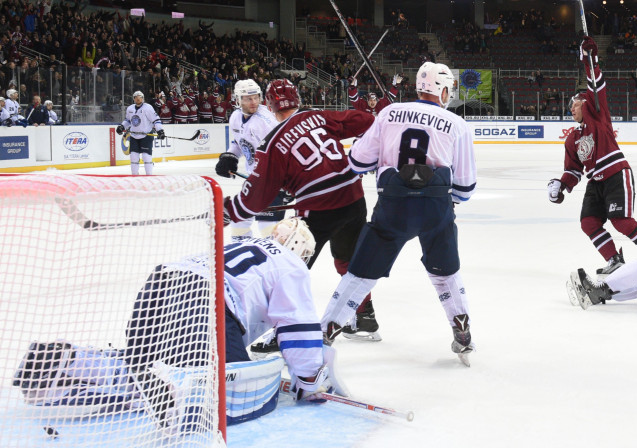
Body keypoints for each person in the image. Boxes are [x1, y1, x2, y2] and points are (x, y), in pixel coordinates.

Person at [12, 218, 347, 430]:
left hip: (158, 286)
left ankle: (71, 364)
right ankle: (181, 388)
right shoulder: (290, 264)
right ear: (300, 250)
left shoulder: (240, 241)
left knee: (148, 369)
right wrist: (309, 380)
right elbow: (297, 327)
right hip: (204, 303)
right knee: (227, 397)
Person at [319, 62, 478, 366]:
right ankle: (462, 331)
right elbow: (465, 188)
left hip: (392, 206)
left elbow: (357, 161)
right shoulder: (456, 124)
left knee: (360, 273)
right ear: (442, 89)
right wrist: (448, 204)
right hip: (435, 208)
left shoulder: (389, 113)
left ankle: (325, 333)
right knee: (446, 274)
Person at [222, 79, 383, 341]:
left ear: (270, 105)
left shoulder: (272, 142)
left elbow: (256, 197)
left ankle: (286, 333)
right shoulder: (319, 116)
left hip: (319, 208)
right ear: (297, 99)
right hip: (353, 197)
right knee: (348, 261)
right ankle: (364, 317)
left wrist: (229, 209)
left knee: (289, 268)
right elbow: (366, 121)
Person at [547, 36, 637, 277]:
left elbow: (596, 85)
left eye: (574, 105)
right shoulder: (572, 138)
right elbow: (573, 170)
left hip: (616, 174)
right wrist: (561, 185)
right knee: (588, 222)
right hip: (596, 182)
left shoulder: (598, 115)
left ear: (585, 103)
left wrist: (590, 59)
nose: (571, 109)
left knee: (622, 222)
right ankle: (614, 259)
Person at [215, 79, 289, 237]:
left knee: (268, 227)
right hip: (253, 179)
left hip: (272, 180)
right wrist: (230, 156)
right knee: (239, 220)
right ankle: (244, 252)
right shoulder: (235, 117)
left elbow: (283, 150)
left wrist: (286, 181)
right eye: (248, 98)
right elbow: (239, 142)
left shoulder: (265, 122)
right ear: (238, 99)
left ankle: (274, 257)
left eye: (256, 97)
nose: (254, 102)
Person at [115, 91, 165, 176]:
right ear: (133, 99)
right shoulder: (130, 109)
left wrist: (160, 130)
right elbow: (128, 121)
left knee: (146, 157)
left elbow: (155, 120)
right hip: (134, 136)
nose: (138, 99)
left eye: (140, 97)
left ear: (143, 98)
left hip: (146, 135)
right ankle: (135, 176)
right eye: (136, 97)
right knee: (133, 157)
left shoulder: (148, 108)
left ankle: (149, 176)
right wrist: (122, 126)